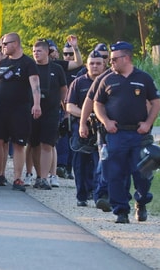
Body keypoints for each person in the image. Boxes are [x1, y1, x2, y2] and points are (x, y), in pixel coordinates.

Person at [93, 41, 160, 224]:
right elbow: (97, 103)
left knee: (142, 173)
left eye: (114, 59)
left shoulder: (143, 78)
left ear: (126, 58)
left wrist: (148, 123)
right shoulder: (107, 79)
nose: (111, 62)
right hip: (116, 133)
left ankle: (142, 200)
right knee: (115, 173)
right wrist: (106, 121)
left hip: (139, 134)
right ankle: (121, 210)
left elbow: (155, 102)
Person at [0, 32, 42, 191]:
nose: (3, 47)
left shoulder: (28, 63)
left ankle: (18, 178)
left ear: (16, 44)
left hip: (20, 109)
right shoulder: (3, 62)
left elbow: (35, 85)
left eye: (6, 44)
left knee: (19, 144)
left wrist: (37, 104)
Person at [66, 51, 106, 206]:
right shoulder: (78, 82)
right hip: (82, 126)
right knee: (80, 163)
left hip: (104, 127)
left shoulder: (109, 81)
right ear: (87, 65)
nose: (95, 66)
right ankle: (82, 196)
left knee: (101, 162)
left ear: (104, 65)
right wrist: (87, 116)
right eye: (92, 63)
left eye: (98, 63)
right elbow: (69, 106)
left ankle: (99, 196)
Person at [29, 39, 67, 190]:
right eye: (34, 51)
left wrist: (63, 105)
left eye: (39, 51)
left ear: (47, 52)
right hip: (32, 111)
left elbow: (64, 89)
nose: (36, 54)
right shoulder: (30, 68)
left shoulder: (56, 69)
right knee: (34, 144)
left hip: (51, 112)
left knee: (47, 144)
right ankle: (38, 175)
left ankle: (45, 177)